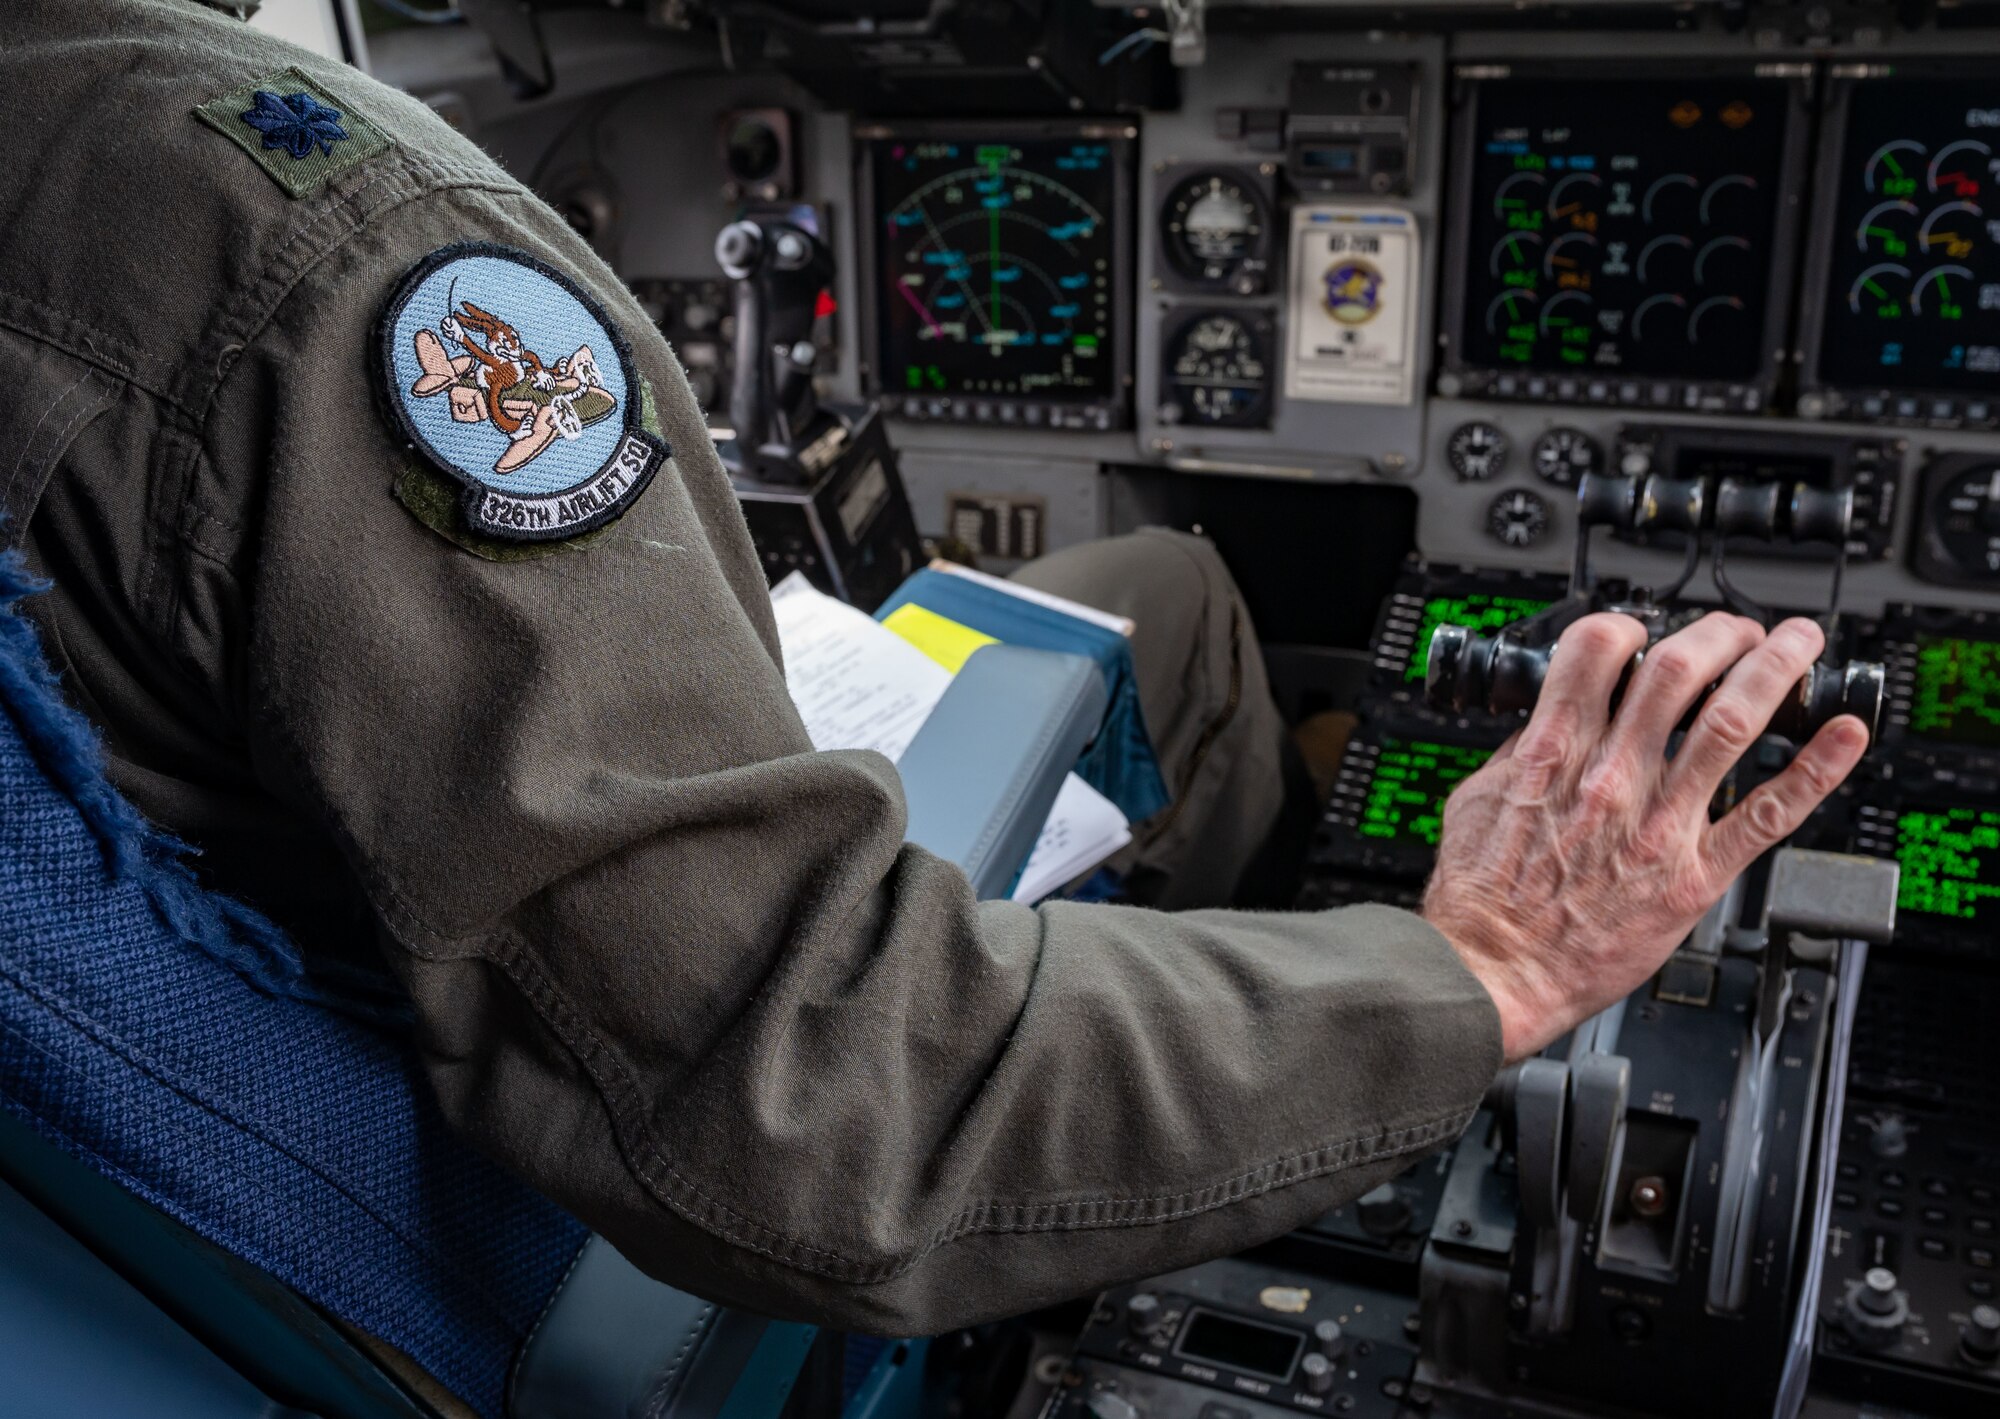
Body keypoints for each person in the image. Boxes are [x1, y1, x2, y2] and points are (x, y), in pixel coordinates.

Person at [0, 0, 1871, 1337]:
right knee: (1166, 627)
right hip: (569, 1156)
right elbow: (810, 1099)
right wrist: (1488, 967)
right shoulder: (292, 223)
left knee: (1159, 578)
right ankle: (1155, 1226)